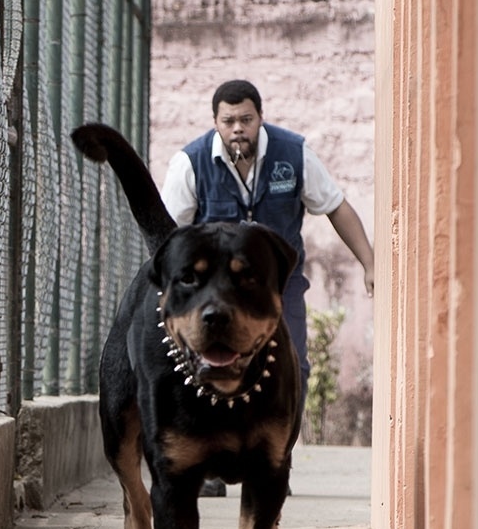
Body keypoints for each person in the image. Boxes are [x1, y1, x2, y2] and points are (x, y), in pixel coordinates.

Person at [158, 79, 375, 495]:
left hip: (280, 286)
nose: (238, 128)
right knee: (208, 364)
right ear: (215, 123)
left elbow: (336, 207)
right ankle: (212, 465)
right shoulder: (191, 162)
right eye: (229, 121)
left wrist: (369, 261)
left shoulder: (293, 155)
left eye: (246, 119)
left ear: (260, 118)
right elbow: (169, 235)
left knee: (295, 367)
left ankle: (275, 463)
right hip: (214, 292)